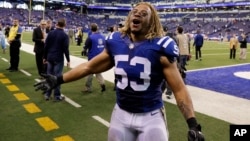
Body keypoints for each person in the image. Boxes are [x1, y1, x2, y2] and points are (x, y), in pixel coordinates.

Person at [35, 2, 204, 141]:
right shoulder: (116, 41)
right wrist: (58, 79)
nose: (137, 14)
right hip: (121, 114)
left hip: (151, 116)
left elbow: (179, 89)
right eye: (135, 12)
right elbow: (90, 67)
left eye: (144, 13)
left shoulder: (161, 47)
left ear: (152, 22)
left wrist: (193, 125)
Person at [43, 18, 70, 101]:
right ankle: (57, 96)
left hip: (50, 57)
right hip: (58, 58)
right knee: (57, 77)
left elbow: (46, 46)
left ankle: (47, 94)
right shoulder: (65, 35)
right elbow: (66, 49)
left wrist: (44, 57)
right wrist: (68, 60)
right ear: (64, 25)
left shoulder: (50, 33)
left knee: (49, 76)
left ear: (57, 24)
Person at [81, 23, 106, 93]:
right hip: (101, 57)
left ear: (91, 29)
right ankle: (102, 84)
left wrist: (84, 51)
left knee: (89, 72)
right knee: (98, 72)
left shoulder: (90, 37)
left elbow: (85, 47)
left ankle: (88, 88)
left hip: (92, 57)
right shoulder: (103, 37)